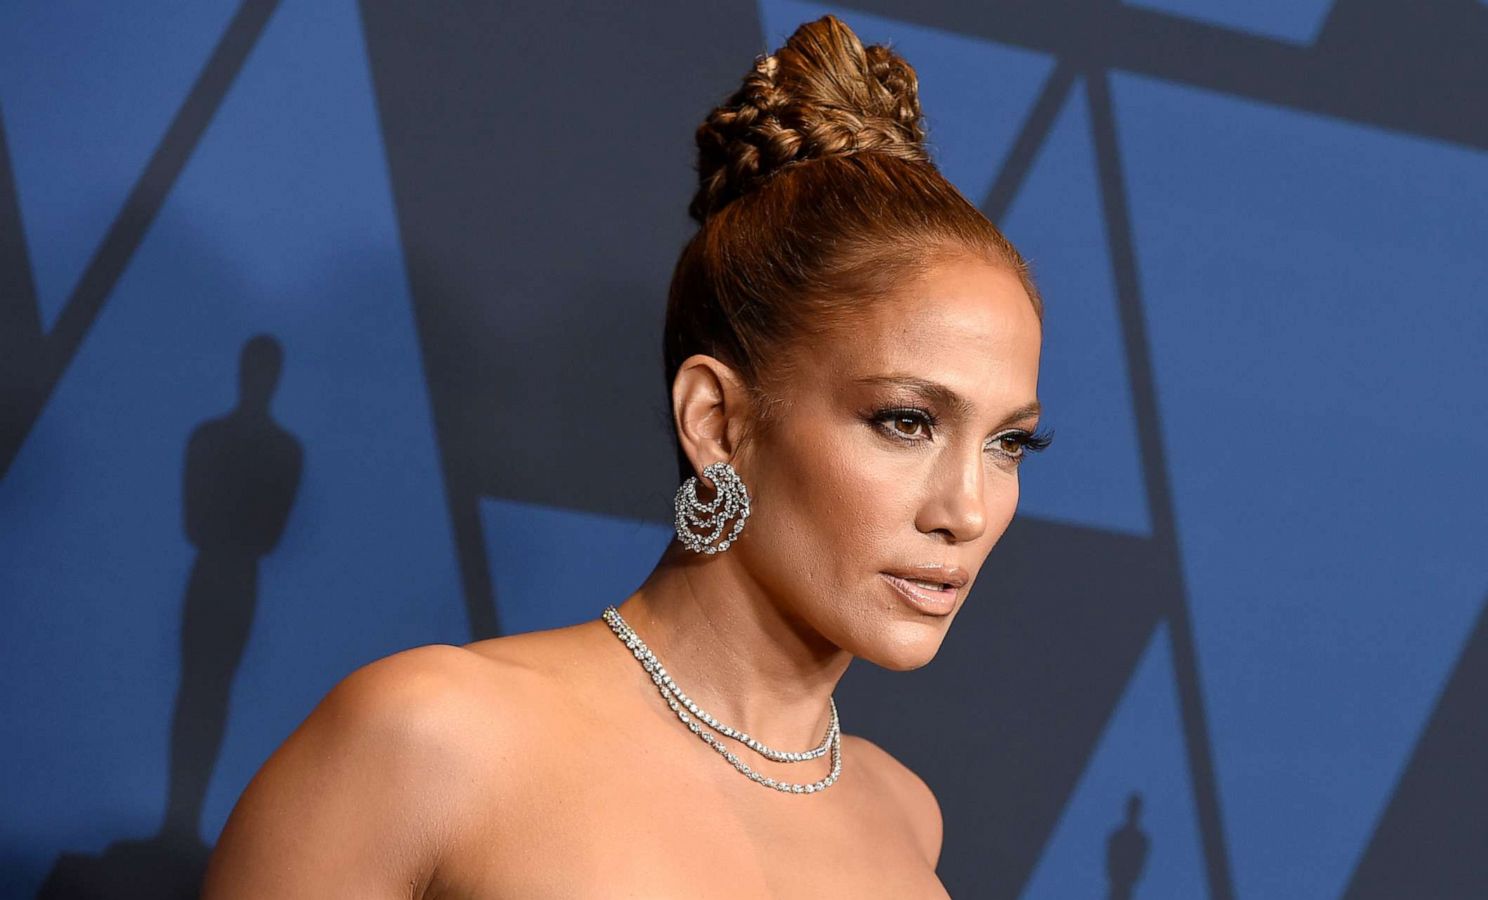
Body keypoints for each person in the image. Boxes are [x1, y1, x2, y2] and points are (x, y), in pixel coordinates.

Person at [202, 13, 1052, 897]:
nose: (968, 509)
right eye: (906, 422)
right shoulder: (429, 743)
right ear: (717, 422)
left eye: (1008, 443)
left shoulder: (904, 816)